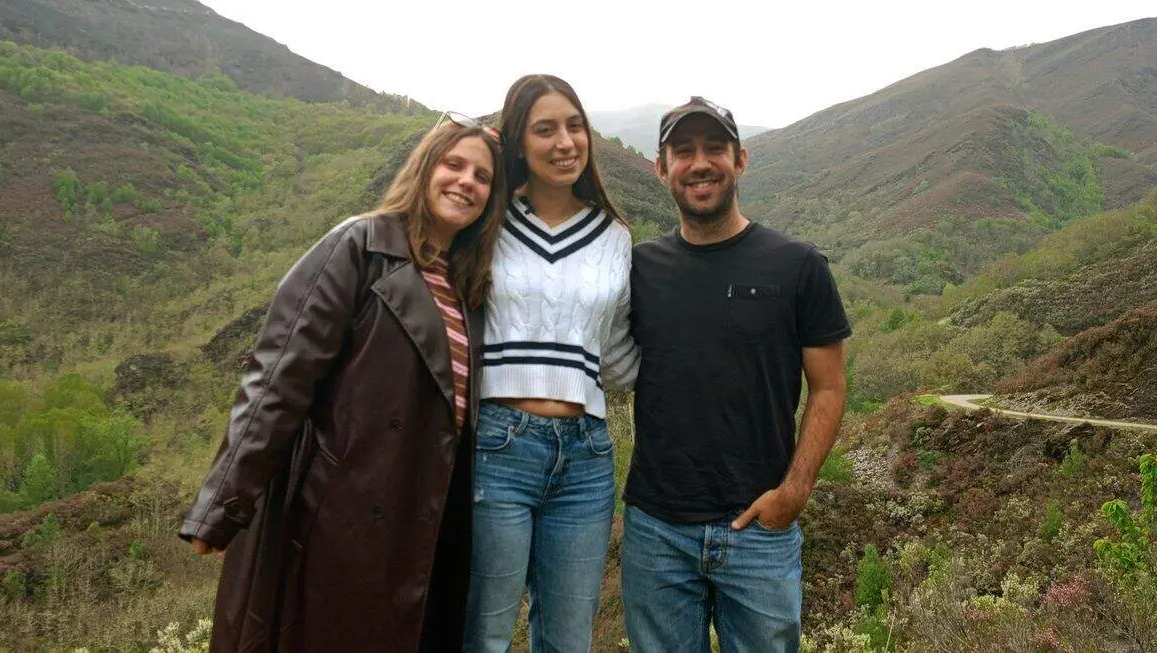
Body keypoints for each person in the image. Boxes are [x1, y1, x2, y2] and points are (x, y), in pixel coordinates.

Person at [179, 115, 505, 652]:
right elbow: (280, 373)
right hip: (341, 513)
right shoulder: (360, 246)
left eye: (482, 176)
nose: (466, 182)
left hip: (427, 516)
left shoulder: (470, 286)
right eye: (454, 164)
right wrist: (223, 505)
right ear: (425, 168)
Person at [621, 97, 851, 652]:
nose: (700, 163)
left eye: (714, 148)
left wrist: (794, 493)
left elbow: (828, 388)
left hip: (760, 531)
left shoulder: (798, 265)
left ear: (740, 159)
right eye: (683, 151)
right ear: (661, 167)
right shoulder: (638, 269)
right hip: (657, 531)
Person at [463, 74, 638, 653]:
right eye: (544, 130)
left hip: (587, 455)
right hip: (498, 448)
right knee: (484, 630)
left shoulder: (615, 236)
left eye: (574, 126)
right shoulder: (485, 222)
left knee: (568, 638)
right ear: (516, 143)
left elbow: (613, 355)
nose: (565, 142)